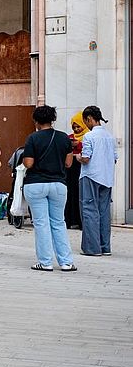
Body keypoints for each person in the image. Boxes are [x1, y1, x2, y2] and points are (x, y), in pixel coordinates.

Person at [21, 105, 77, 272]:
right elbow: (68, 163)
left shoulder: (33, 138)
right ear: (53, 120)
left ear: (36, 121)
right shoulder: (63, 138)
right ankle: (66, 262)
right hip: (58, 185)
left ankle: (45, 262)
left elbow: (29, 163)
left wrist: (24, 160)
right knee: (59, 222)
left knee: (41, 223)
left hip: (36, 184)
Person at [78, 105, 117, 257]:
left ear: (89, 119)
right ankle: (105, 246)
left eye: (85, 121)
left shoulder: (89, 137)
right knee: (104, 212)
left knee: (89, 210)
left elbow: (86, 158)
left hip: (90, 176)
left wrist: (78, 157)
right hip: (107, 177)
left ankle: (92, 248)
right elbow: (114, 159)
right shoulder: (110, 136)